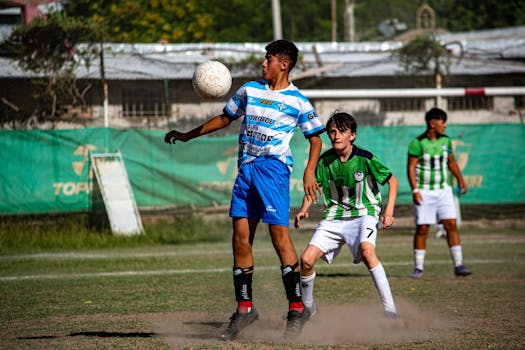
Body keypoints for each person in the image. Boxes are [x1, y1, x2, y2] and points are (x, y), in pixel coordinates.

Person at [164, 39, 325, 340]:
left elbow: (316, 138)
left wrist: (309, 170)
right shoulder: (249, 91)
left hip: (274, 171)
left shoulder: (298, 101)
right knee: (240, 240)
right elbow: (225, 118)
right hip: (246, 170)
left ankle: (296, 308)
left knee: (280, 238)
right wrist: (188, 135)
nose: (263, 64)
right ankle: (245, 310)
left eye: (269, 59)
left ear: (284, 64)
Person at [295, 111, 399, 320]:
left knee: (368, 252)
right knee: (305, 260)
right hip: (334, 216)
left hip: (365, 213)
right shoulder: (325, 161)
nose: (336, 136)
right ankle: (308, 308)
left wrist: (388, 211)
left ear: (352, 135)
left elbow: (392, 181)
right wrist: (304, 208)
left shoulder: (365, 158)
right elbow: (315, 187)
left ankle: (390, 311)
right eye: (332, 132)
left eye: (342, 131)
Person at [407, 107, 472, 278]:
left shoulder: (446, 141)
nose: (445, 126)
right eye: (443, 122)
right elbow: (411, 167)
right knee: (423, 228)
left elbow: (451, 162)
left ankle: (459, 265)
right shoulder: (417, 142)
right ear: (432, 123)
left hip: (444, 190)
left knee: (451, 224)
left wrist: (460, 179)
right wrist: (415, 190)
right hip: (424, 191)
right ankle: (418, 268)